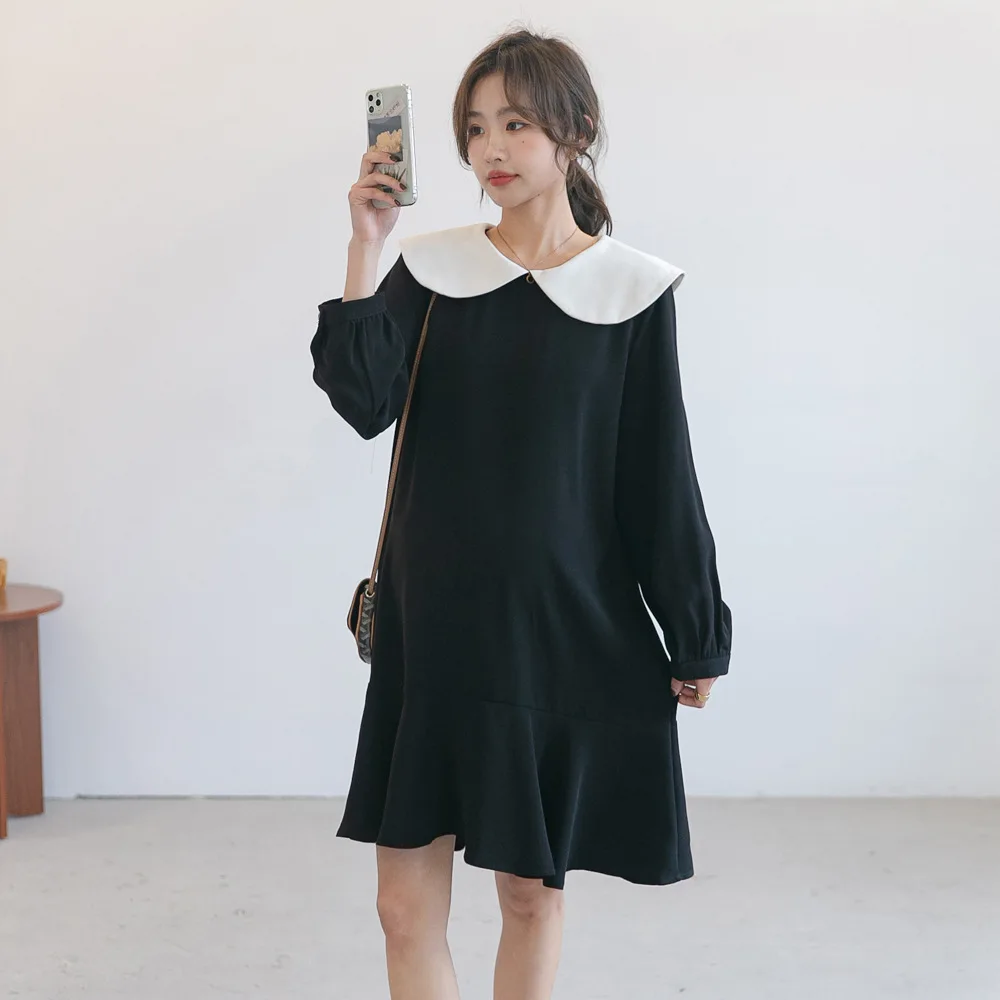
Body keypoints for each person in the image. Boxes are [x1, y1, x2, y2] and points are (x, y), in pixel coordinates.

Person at [310, 26, 733, 1000]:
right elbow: (363, 401)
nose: (489, 149)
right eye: (473, 128)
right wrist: (366, 246)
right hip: (432, 628)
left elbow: (658, 476)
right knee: (401, 907)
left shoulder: (631, 291)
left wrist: (694, 631)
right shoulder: (433, 271)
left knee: (529, 898)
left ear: (574, 132)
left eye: (514, 124)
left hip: (558, 635)